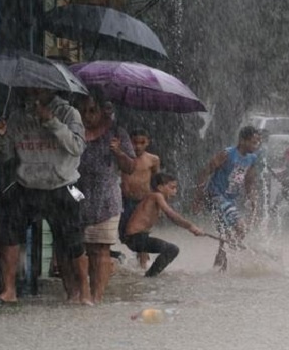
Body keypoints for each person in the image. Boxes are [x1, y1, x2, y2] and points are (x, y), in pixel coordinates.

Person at [0, 87, 90, 305]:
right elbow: (6, 155)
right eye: (30, 88)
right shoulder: (18, 116)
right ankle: (9, 291)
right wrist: (0, 137)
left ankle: (82, 293)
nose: (33, 92)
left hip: (64, 185)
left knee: (71, 242)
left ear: (50, 88)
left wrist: (52, 121)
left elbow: (77, 147)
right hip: (27, 184)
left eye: (38, 88)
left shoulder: (69, 113)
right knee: (9, 234)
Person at [76, 87, 136, 304]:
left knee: (101, 249)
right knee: (79, 248)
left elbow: (130, 167)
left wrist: (118, 152)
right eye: (82, 111)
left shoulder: (117, 133)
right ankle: (81, 293)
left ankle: (96, 296)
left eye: (92, 111)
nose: (87, 116)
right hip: (76, 196)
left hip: (106, 198)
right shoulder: (74, 131)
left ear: (102, 111)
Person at [192, 125, 260, 271]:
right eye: (254, 142)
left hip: (229, 199)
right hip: (215, 195)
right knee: (239, 228)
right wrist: (198, 199)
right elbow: (205, 172)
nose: (257, 145)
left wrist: (253, 201)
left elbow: (249, 182)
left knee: (226, 234)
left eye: (258, 142)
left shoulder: (252, 158)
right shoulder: (227, 154)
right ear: (242, 140)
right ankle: (225, 260)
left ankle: (219, 267)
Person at [123, 172, 205, 277]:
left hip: (136, 238)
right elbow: (172, 215)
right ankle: (150, 277)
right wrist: (191, 227)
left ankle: (149, 273)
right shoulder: (157, 196)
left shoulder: (154, 198)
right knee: (172, 249)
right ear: (160, 187)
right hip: (135, 238)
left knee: (169, 249)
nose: (175, 191)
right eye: (172, 187)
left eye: (176, 188)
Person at [119, 128, 161, 269]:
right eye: (134, 142)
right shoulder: (123, 158)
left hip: (144, 201)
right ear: (128, 142)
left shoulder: (153, 160)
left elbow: (156, 180)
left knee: (142, 232)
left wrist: (157, 202)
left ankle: (143, 265)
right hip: (125, 200)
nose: (138, 146)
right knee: (124, 234)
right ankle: (134, 254)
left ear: (148, 142)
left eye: (142, 142)